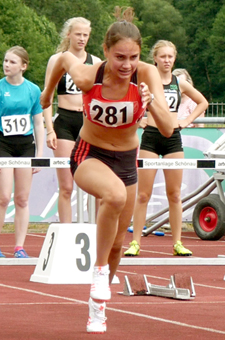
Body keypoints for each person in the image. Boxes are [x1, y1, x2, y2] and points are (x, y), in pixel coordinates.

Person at [41, 7, 173, 334]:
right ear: (105, 51)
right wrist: (46, 95)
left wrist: (151, 101)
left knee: (117, 245)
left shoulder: (146, 75)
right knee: (112, 197)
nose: (126, 65)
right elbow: (60, 60)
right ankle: (99, 273)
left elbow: (168, 129)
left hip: (127, 160)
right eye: (119, 57)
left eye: (133, 57)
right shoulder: (89, 75)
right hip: (89, 154)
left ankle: (96, 309)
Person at [124, 40, 208, 257]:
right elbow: (126, 97)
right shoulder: (146, 81)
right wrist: (138, 120)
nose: (167, 60)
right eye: (163, 57)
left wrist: (185, 120)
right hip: (151, 137)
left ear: (175, 58)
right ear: (155, 59)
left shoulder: (179, 83)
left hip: (173, 139)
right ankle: (135, 243)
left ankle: (177, 242)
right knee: (143, 194)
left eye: (170, 57)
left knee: (175, 194)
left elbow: (203, 102)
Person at [43, 17, 101, 223]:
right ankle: (67, 232)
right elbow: (47, 98)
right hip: (65, 121)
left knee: (94, 186)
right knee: (66, 186)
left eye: (86, 35)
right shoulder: (57, 60)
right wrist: (49, 129)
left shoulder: (95, 62)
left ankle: (94, 229)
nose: (82, 39)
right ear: (69, 34)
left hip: (88, 122)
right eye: (78, 34)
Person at [0, 46, 44, 258]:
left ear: (24, 66)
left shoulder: (33, 90)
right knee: (2, 197)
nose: (7, 65)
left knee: (22, 198)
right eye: (5, 61)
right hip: (3, 144)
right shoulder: (0, 88)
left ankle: (19, 247)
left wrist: (40, 155)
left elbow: (38, 122)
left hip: (26, 145)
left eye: (12, 62)